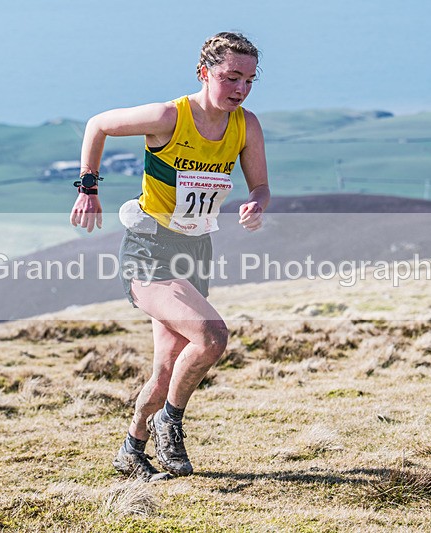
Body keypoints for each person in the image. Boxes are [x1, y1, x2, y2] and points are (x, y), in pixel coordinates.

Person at [69, 32, 270, 481]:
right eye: (230, 77)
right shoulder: (168, 117)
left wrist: (257, 202)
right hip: (149, 251)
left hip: (196, 251)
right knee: (213, 336)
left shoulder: (246, 126)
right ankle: (170, 423)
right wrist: (88, 188)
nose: (240, 89)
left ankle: (131, 447)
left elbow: (260, 185)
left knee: (165, 371)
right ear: (204, 73)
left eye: (250, 80)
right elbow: (97, 124)